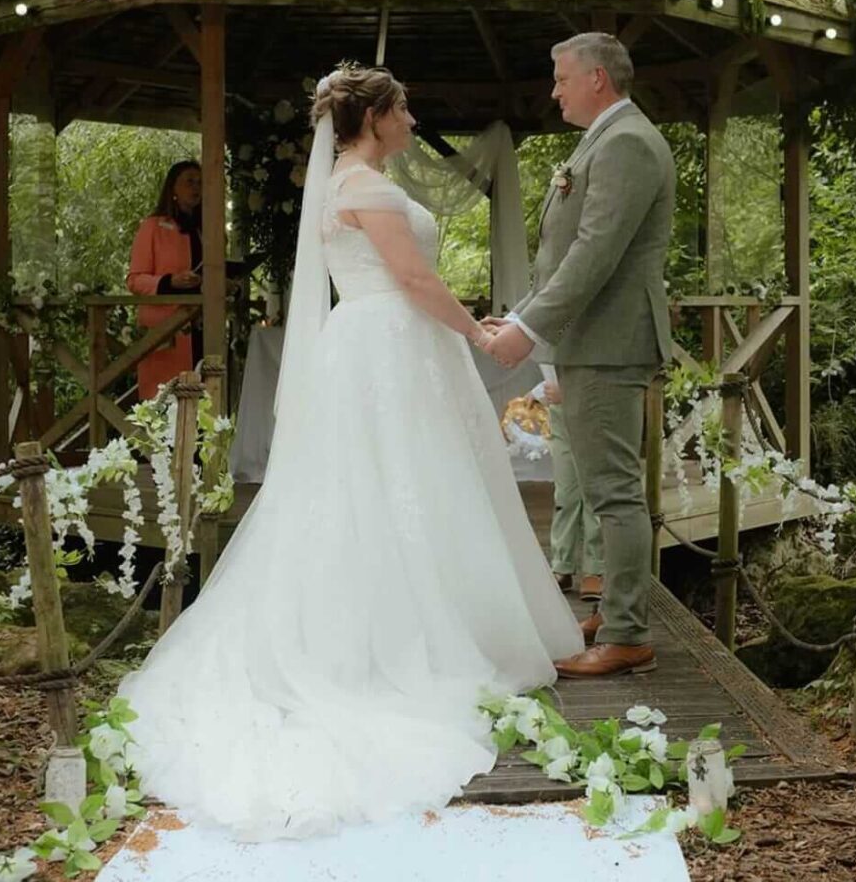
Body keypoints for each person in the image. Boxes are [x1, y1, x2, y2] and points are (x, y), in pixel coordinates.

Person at [118, 64, 582, 841]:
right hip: (388, 345)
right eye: (403, 109)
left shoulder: (346, 180)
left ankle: (424, 611)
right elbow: (410, 276)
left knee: (398, 487)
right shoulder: (364, 187)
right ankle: (402, 635)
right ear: (375, 118)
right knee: (397, 482)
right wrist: (479, 334)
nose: (410, 120)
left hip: (379, 345)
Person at [484, 33, 675, 679]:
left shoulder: (625, 143)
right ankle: (616, 612)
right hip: (593, 340)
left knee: (614, 493)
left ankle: (626, 633)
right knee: (600, 490)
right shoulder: (607, 139)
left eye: (562, 78)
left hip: (610, 342)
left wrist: (528, 329)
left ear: (597, 78)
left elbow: (595, 253)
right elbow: (567, 255)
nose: (555, 90)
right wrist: (516, 316)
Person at [126, 161, 203, 400]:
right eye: (189, 181)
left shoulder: (207, 230)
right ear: (173, 188)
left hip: (203, 328)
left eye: (200, 182)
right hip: (166, 333)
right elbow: (134, 280)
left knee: (204, 409)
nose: (196, 187)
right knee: (164, 407)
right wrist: (170, 282)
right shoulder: (152, 227)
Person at [530, 373, 604, 599]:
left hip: (592, 408)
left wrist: (570, 391)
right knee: (565, 494)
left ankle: (595, 568)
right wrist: (538, 393)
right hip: (559, 415)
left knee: (592, 492)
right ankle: (562, 563)